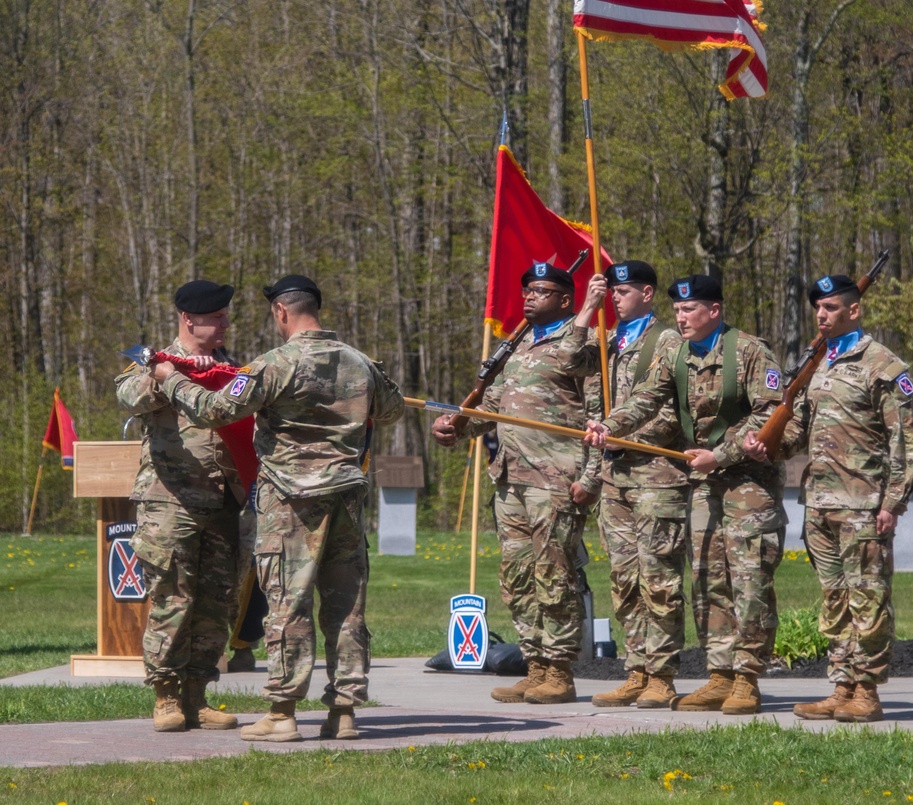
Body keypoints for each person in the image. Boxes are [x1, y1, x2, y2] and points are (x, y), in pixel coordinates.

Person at [149, 274, 404, 742]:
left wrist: (171, 380)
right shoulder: (360, 362)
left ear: (281, 312)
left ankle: (283, 712)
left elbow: (213, 411)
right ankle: (344, 711)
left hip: (291, 501)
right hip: (347, 497)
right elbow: (391, 410)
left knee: (289, 602)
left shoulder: (273, 365)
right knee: (347, 607)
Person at [585, 274, 787, 715]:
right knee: (707, 580)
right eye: (677, 310)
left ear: (714, 311)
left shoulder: (751, 351)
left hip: (749, 485)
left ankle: (747, 677)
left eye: (690, 309)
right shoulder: (675, 349)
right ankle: (719, 675)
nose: (681, 317)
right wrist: (611, 426)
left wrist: (723, 454)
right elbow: (646, 397)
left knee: (748, 581)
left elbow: (772, 414)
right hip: (702, 484)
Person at [745, 273, 913, 722]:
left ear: (853, 310)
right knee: (835, 599)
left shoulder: (884, 366)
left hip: (864, 504)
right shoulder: (818, 364)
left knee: (868, 598)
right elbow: (798, 429)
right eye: (817, 309)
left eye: (831, 308)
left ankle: (867, 690)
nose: (821, 316)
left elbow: (903, 443)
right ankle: (842, 685)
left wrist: (891, 504)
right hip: (819, 503)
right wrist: (770, 444)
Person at [432, 262, 600, 705]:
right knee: (518, 576)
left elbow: (600, 416)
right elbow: (492, 405)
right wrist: (458, 426)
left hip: (555, 478)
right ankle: (536, 664)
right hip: (510, 477)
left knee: (555, 574)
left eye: (541, 291)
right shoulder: (518, 343)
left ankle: (560, 670)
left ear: (566, 300)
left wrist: (590, 476)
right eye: (526, 289)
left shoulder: (585, 346)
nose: (529, 297)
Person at [115, 279, 244, 733]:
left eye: (227, 316)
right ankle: (166, 695)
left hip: (225, 501)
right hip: (170, 501)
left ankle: (198, 695)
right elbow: (127, 396)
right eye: (218, 317)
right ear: (190, 320)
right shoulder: (156, 363)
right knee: (173, 597)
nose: (226, 323)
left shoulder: (235, 366)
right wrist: (170, 375)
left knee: (216, 602)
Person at [570, 262, 688, 709]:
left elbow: (669, 408)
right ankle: (636, 669)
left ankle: (661, 675)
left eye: (623, 290)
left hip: (656, 475)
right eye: (611, 291)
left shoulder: (666, 340)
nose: (615, 297)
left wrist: (622, 435)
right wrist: (587, 308)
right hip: (614, 474)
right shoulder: (609, 340)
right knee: (624, 580)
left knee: (658, 579)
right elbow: (567, 360)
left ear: (647, 293)